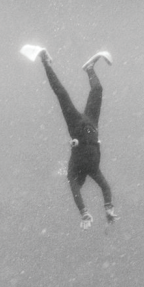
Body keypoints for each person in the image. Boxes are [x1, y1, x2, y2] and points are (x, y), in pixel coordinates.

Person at [25, 46, 118, 230]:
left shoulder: (73, 174)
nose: (81, 184)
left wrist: (85, 213)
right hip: (91, 124)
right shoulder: (94, 171)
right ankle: (89, 68)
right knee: (97, 89)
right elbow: (106, 188)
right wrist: (108, 209)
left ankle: (45, 61)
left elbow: (77, 193)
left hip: (77, 126)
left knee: (61, 93)